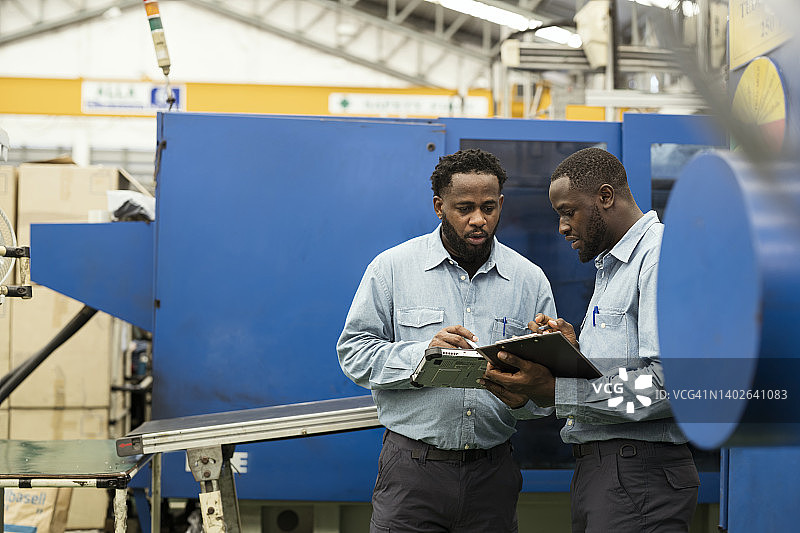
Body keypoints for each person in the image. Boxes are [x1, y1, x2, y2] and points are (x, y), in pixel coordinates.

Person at [337, 148, 556, 533]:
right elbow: (354, 353)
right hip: (412, 473)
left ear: (502, 203)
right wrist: (423, 355)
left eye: (489, 208)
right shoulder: (392, 268)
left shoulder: (529, 280)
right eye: (464, 207)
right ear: (439, 206)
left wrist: (526, 396)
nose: (478, 220)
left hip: (494, 474)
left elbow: (545, 389)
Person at [481, 148, 699, 533]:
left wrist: (557, 391)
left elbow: (668, 386)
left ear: (604, 196)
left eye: (568, 212)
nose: (562, 227)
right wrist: (572, 353)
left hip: (638, 473)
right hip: (607, 471)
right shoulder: (612, 266)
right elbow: (631, 369)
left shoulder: (660, 258)